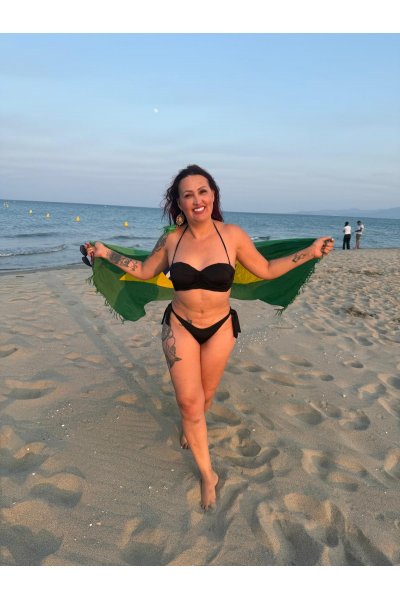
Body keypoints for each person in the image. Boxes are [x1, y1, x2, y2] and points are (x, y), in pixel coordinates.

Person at [84, 164, 335, 510]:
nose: (196, 199)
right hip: (179, 326)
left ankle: (192, 426)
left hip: (220, 329)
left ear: (213, 195)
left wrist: (311, 252)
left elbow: (266, 269)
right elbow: (143, 270)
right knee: (189, 403)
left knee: (205, 396)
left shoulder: (232, 235)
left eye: (202, 191)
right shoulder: (172, 240)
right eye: (187, 195)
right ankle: (207, 474)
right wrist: (105, 253)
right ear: (179, 203)